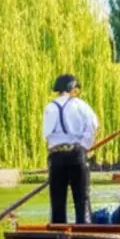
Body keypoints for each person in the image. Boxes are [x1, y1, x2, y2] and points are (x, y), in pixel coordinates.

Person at [43, 73, 99, 224]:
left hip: (56, 157)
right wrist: (84, 146)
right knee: (82, 201)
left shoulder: (49, 107)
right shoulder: (79, 104)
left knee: (57, 204)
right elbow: (93, 124)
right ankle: (84, 233)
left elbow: (47, 136)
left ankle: (58, 234)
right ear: (72, 89)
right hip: (76, 154)